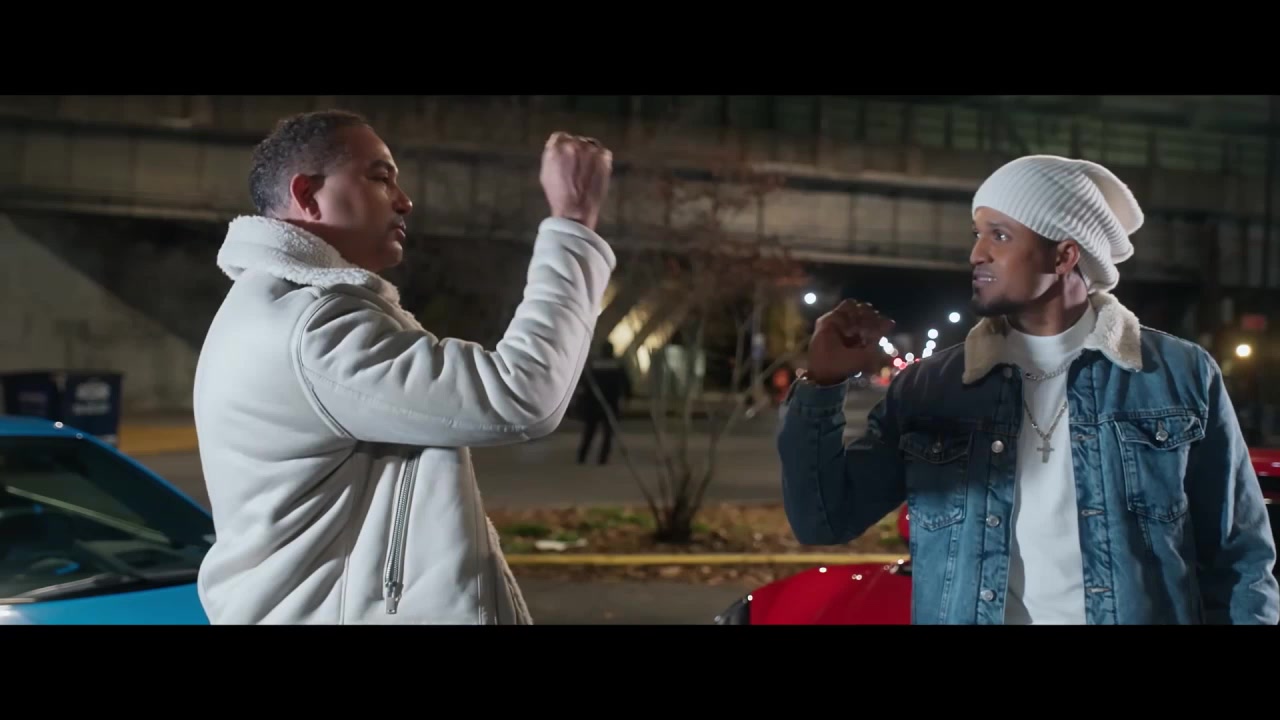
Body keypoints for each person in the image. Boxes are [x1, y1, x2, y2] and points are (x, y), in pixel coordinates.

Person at [777, 154, 1279, 625]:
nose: (977, 253)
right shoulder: (930, 389)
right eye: (977, 234)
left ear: (1064, 255)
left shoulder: (1176, 374)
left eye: (999, 235)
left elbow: (1240, 557)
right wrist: (823, 385)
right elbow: (824, 521)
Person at [192, 110, 616, 624]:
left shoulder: (273, 309)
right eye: (380, 177)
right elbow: (519, 393)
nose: (404, 201)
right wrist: (572, 225)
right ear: (307, 194)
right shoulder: (313, 328)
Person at [576, 342, 630, 465]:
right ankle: (603, 458)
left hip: (593, 403)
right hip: (611, 403)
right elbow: (626, 384)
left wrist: (582, 399)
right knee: (608, 433)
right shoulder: (617, 365)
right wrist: (627, 397)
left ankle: (582, 456)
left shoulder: (594, 365)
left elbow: (584, 383)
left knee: (589, 431)